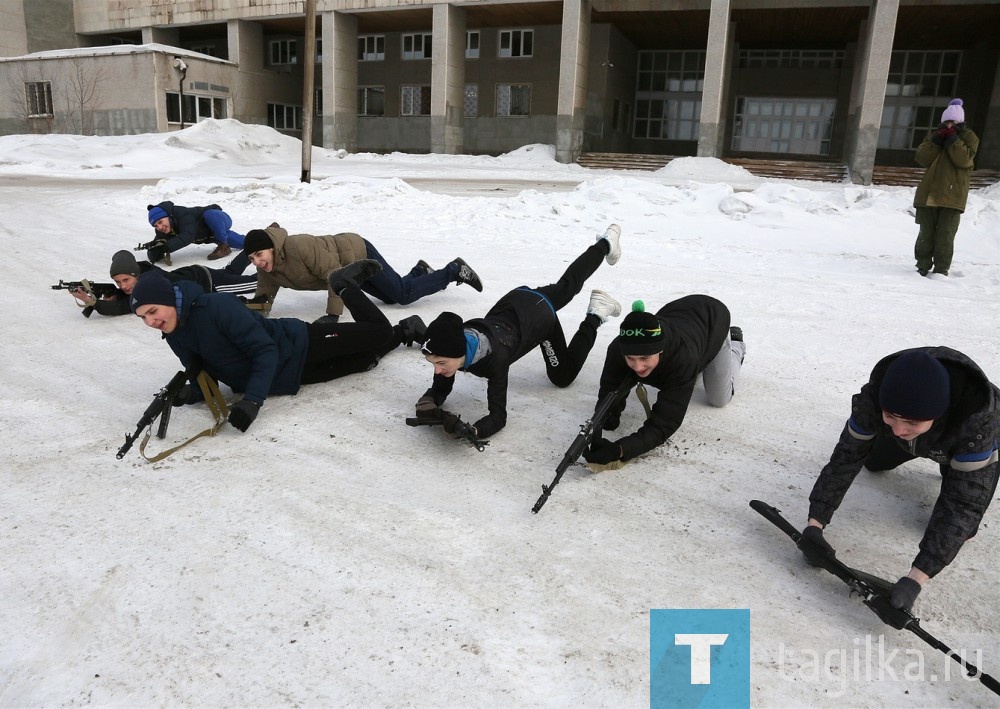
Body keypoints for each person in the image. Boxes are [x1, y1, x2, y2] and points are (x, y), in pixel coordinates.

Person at [802, 347, 999, 612]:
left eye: (910, 422)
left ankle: (944, 460)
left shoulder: (977, 426)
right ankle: (911, 433)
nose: (898, 429)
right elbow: (845, 459)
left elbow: (963, 506)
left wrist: (915, 579)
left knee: (961, 525)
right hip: (923, 432)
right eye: (890, 417)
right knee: (871, 460)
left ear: (937, 415)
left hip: (956, 441)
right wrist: (816, 523)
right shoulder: (874, 400)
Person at [128, 260, 426, 433]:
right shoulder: (173, 332)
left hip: (299, 344)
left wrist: (252, 401)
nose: (150, 322)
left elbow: (264, 350)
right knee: (365, 360)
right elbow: (201, 372)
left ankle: (344, 283)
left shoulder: (216, 307)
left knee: (376, 333)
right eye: (143, 318)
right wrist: (190, 393)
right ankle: (405, 330)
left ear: (169, 299)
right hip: (287, 376)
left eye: (153, 311)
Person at [415, 224, 624, 440]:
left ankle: (595, 315)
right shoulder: (451, 342)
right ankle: (605, 243)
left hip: (540, 317)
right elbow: (440, 388)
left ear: (458, 352)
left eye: (440, 364)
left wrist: (473, 432)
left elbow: (498, 417)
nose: (438, 371)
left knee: (562, 376)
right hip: (515, 300)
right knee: (568, 286)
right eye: (434, 364)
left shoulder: (495, 359)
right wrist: (427, 403)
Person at [582, 297, 745, 467]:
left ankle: (735, 347)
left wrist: (620, 449)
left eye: (645, 357)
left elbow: (665, 423)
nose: (637, 366)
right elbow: (610, 387)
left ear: (660, 350)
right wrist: (606, 419)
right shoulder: (618, 348)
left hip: (714, 322)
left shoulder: (682, 359)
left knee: (718, 399)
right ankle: (693, 367)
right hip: (682, 318)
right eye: (630, 358)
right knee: (684, 376)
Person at [243, 224, 483, 325]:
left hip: (356, 253)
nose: (257, 261)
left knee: (402, 294)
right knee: (390, 296)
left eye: (260, 254)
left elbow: (334, 274)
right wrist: (248, 316)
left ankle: (454, 270)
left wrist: (332, 315)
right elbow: (263, 298)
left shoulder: (298, 246)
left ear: (273, 247)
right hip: (348, 269)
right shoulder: (267, 270)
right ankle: (421, 271)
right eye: (252, 258)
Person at [67, 249, 258, 317]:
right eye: (118, 282)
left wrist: (93, 302)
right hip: (198, 272)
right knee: (231, 272)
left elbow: (125, 306)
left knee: (254, 284)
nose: (123, 286)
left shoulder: (150, 283)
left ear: (137, 275)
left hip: (209, 283)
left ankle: (279, 272)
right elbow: (125, 298)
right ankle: (254, 246)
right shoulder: (144, 275)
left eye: (126, 280)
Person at [912, 98, 979, 277]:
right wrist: (936, 141)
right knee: (926, 233)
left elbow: (964, 160)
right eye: (947, 122)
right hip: (929, 193)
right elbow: (922, 158)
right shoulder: (935, 135)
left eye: (953, 122)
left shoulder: (969, 137)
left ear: (960, 122)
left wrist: (953, 140)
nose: (949, 125)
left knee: (945, 235)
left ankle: (941, 269)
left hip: (953, 195)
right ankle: (922, 265)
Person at [145, 201, 247, 263]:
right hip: (212, 235)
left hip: (219, 219)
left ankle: (224, 246)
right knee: (246, 244)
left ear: (167, 216)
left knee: (210, 215)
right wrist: (155, 250)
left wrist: (166, 247)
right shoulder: (164, 229)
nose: (159, 227)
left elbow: (187, 236)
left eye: (160, 222)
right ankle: (262, 237)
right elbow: (155, 250)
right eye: (155, 226)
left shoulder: (182, 214)